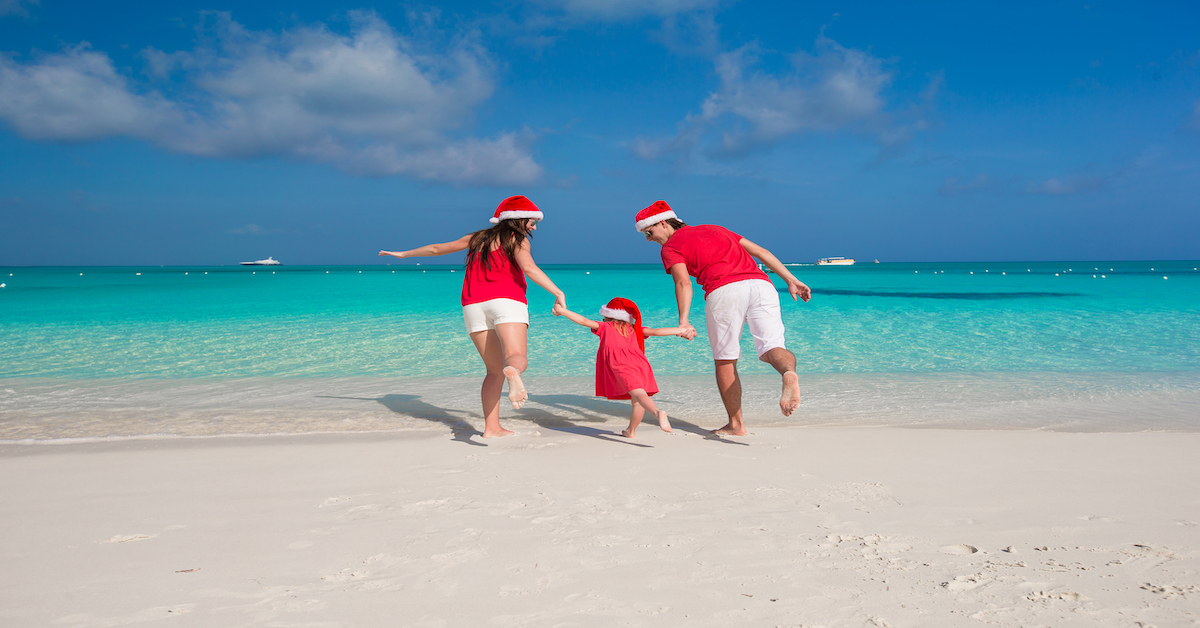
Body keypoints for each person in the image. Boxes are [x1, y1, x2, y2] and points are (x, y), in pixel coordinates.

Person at [379, 195, 566, 438]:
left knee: (493, 371)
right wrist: (558, 292)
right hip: (507, 301)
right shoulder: (516, 239)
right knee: (515, 358)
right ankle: (514, 373)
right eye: (532, 221)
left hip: (473, 305)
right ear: (519, 220)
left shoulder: (476, 238)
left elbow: (437, 249)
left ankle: (491, 428)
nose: (534, 227)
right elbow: (529, 268)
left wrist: (404, 254)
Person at [635, 200, 812, 436]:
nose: (649, 239)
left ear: (663, 223)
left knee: (725, 360)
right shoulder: (716, 228)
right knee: (773, 347)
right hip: (762, 286)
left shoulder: (670, 248)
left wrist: (683, 321)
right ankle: (788, 374)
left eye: (649, 232)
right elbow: (761, 252)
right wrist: (791, 280)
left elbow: (683, 282)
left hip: (724, 291)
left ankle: (736, 424)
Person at [553, 297, 688, 438]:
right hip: (641, 364)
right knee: (638, 402)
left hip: (622, 366)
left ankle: (656, 412)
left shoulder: (605, 327)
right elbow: (656, 331)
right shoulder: (634, 329)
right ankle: (631, 431)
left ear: (607, 315)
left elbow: (583, 321)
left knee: (639, 395)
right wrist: (681, 330)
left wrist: (562, 311)